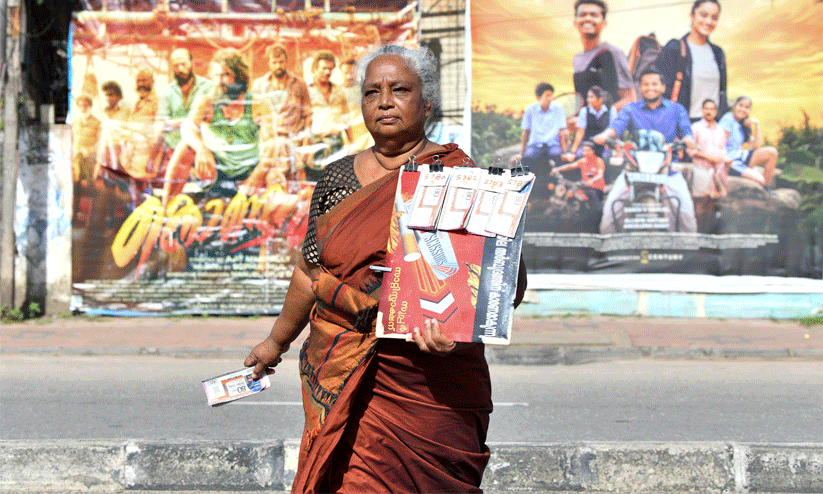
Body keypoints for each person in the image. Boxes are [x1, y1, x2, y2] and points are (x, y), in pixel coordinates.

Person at [244, 44, 527, 494]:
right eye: (373, 92)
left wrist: (457, 329)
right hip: (347, 377)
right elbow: (309, 271)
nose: (385, 101)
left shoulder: (459, 176)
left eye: (400, 89)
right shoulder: (337, 179)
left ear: (427, 102)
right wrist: (274, 341)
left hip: (430, 389)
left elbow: (502, 280)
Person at [161, 47, 276, 205]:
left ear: (239, 75)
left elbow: (271, 148)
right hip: (215, 171)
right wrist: (201, 149)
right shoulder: (207, 102)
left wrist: (252, 181)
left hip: (249, 172)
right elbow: (187, 128)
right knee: (185, 147)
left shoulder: (259, 104)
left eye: (225, 74)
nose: (219, 81)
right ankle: (166, 210)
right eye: (216, 75)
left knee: (275, 176)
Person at [656, 0, 728, 121]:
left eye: (714, 17)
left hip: (711, 127)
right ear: (692, 16)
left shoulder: (718, 53)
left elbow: (722, 93)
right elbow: (660, 89)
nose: (708, 21)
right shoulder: (675, 48)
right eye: (703, 15)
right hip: (683, 126)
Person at [593, 69, 695, 148]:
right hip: (636, 164)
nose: (650, 88)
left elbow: (686, 132)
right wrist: (605, 135)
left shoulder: (677, 109)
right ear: (640, 88)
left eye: (654, 84)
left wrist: (689, 139)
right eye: (646, 84)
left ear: (663, 88)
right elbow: (616, 127)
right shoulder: (630, 109)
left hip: (669, 164)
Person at [572, 0, 635, 111]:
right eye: (582, 15)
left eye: (594, 15)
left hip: (611, 127)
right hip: (587, 126)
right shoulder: (577, 59)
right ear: (575, 22)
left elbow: (630, 99)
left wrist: (599, 118)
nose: (587, 18)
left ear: (604, 22)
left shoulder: (613, 52)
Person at [306, 50, 353, 179]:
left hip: (336, 145)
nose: (328, 72)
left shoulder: (338, 91)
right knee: (315, 185)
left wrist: (352, 145)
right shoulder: (306, 90)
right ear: (315, 68)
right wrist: (304, 148)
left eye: (330, 69)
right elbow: (305, 121)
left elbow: (346, 118)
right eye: (324, 68)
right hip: (315, 146)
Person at [157, 48, 215, 151]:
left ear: (191, 63)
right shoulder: (168, 92)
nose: (180, 69)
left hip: (201, 147)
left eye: (183, 64)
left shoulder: (208, 87)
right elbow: (161, 122)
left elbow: (212, 119)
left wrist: (178, 123)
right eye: (176, 65)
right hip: (172, 148)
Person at [718, 95, 778, 187]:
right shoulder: (728, 118)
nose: (743, 109)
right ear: (734, 106)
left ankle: (767, 189)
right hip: (730, 161)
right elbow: (719, 144)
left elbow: (757, 146)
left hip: (740, 156)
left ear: (749, 111)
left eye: (747, 107)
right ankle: (765, 187)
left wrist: (757, 125)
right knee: (761, 180)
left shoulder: (742, 123)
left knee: (772, 152)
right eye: (740, 105)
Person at [512, 82, 569, 172]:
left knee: (558, 157)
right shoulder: (530, 110)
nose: (551, 98)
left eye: (551, 95)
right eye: (547, 96)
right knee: (527, 159)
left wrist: (565, 152)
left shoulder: (558, 108)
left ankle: (559, 185)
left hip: (553, 145)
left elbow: (561, 131)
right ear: (539, 97)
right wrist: (521, 153)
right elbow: (525, 132)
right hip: (535, 145)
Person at [690, 98, 730, 197]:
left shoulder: (720, 130)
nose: (709, 112)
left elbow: (723, 150)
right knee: (700, 199)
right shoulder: (695, 127)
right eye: (706, 109)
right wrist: (709, 158)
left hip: (718, 171)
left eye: (712, 109)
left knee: (715, 201)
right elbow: (691, 150)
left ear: (715, 112)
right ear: (702, 110)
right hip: (701, 169)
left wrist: (724, 162)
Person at [565, 85, 617, 161]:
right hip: (588, 146)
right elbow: (580, 133)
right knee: (579, 157)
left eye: (591, 97)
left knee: (606, 158)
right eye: (588, 97)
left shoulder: (611, 110)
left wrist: (617, 150)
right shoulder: (584, 111)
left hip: (605, 146)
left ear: (600, 100)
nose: (588, 100)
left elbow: (615, 132)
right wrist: (573, 152)